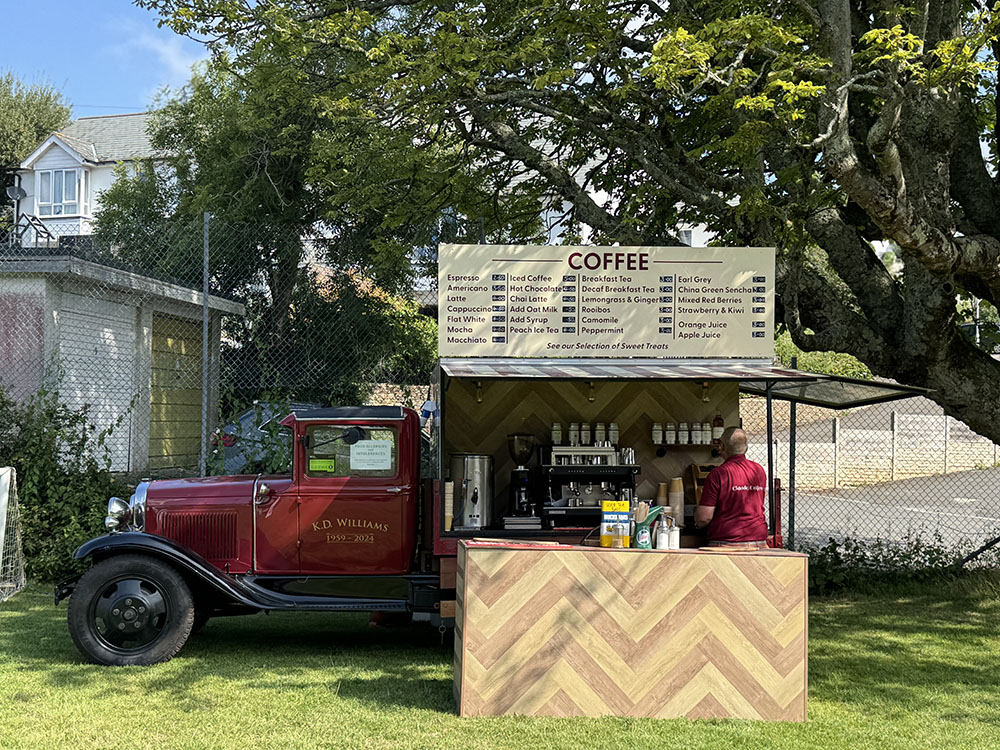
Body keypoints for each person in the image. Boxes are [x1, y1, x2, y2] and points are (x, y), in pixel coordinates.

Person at [693, 426, 769, 549]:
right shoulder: (758, 470)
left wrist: (696, 523)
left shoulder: (718, 474)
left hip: (726, 543)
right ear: (746, 447)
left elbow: (704, 518)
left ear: (722, 447)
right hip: (758, 542)